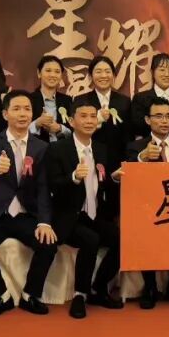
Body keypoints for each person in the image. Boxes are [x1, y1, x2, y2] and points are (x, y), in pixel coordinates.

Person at [0, 90, 57, 318]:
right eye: (16, 109)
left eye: (27, 109)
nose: (22, 114)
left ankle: (30, 295)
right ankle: (2, 296)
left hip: (25, 214)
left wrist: (44, 222)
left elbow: (43, 188)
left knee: (48, 245)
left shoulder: (41, 147)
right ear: (5, 114)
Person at [45, 96, 123, 318]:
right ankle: (80, 294)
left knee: (122, 239)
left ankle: (99, 287)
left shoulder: (101, 148)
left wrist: (114, 178)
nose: (89, 121)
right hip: (69, 216)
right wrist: (73, 178)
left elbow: (103, 182)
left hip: (95, 214)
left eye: (92, 116)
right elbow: (52, 185)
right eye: (83, 116)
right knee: (91, 239)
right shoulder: (58, 149)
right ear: (71, 121)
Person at [125, 97, 169, 309]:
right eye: (158, 116)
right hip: (147, 208)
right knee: (145, 232)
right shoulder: (136, 147)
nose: (164, 121)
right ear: (147, 120)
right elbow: (128, 175)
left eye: (168, 116)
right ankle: (150, 287)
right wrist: (142, 158)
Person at [75, 56, 132, 193]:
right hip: (90, 160)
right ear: (90, 76)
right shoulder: (80, 100)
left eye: (107, 71)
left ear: (114, 75)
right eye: (98, 71)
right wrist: (98, 119)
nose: (103, 76)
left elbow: (129, 135)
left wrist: (127, 161)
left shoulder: (124, 101)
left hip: (118, 161)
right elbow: (77, 132)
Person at [130, 52, 169, 146]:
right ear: (152, 72)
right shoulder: (140, 99)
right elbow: (137, 129)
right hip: (150, 149)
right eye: (162, 70)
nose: (167, 74)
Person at [29, 55, 73, 144]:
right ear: (39, 73)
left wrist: (60, 128)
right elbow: (18, 130)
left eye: (57, 72)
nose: (52, 75)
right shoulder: (28, 100)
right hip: (36, 150)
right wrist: (37, 123)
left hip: (62, 149)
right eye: (48, 70)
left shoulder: (67, 101)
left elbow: (75, 131)